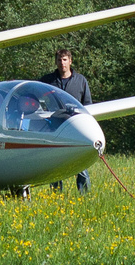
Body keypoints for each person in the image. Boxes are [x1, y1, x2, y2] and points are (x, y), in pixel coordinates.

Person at [39, 49, 91, 193]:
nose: (62, 63)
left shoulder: (80, 81)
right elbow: (35, 97)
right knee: (55, 162)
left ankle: (84, 196)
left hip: (76, 127)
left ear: (70, 61)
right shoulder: (47, 81)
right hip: (54, 127)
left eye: (65, 60)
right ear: (56, 62)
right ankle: (56, 196)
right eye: (60, 60)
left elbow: (88, 105)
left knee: (80, 162)